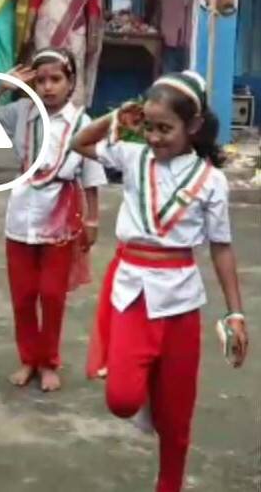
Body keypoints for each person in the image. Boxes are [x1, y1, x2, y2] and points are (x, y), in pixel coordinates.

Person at [72, 70, 249, 492]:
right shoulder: (133, 157)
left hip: (181, 301)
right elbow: (80, 143)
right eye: (148, 126)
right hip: (132, 293)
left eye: (165, 129)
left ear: (194, 126)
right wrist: (118, 115)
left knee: (177, 414)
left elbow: (221, 248)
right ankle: (147, 391)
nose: (153, 137)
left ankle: (169, 482)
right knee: (122, 399)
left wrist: (235, 313)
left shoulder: (211, 181)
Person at [0, 49, 106, 392]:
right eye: (41, 80)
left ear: (71, 82)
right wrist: (1, 88)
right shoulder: (22, 112)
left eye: (56, 79)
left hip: (61, 214)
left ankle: (49, 361)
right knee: (24, 294)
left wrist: (92, 219)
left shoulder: (82, 123)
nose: (47, 87)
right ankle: (28, 358)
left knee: (52, 294)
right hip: (21, 213)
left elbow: (91, 175)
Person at [27, 0, 105, 107]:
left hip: (74, 33)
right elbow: (34, 4)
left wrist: (92, 37)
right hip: (45, 33)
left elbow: (93, 11)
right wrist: (27, 30)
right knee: (45, 67)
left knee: (73, 68)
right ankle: (43, 109)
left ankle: (73, 110)